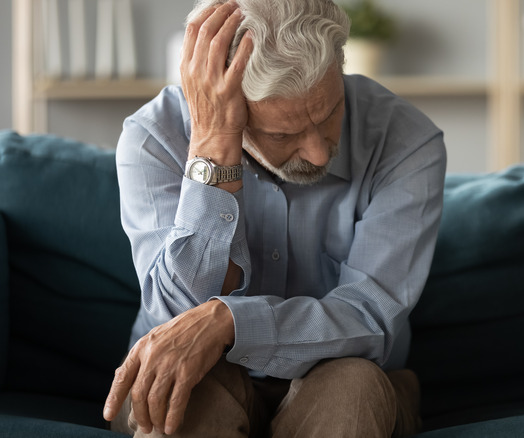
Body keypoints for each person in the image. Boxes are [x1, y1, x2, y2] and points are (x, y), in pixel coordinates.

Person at [101, 0, 446, 436]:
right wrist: (212, 149)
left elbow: (372, 319)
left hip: (345, 373)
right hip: (199, 378)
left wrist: (232, 322)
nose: (319, 152)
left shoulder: (407, 140)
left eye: (329, 114)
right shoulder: (154, 136)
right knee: (183, 400)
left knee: (352, 387)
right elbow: (176, 322)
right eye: (283, 134)